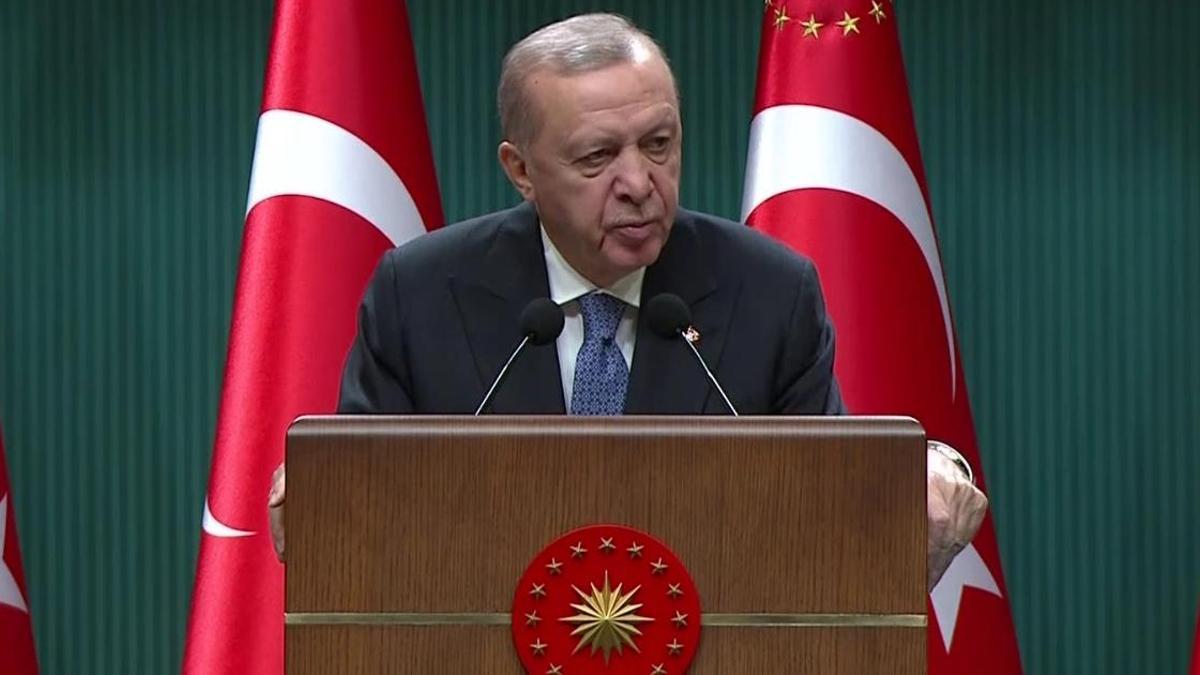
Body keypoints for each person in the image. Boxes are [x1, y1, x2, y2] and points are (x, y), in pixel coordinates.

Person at [267, 13, 987, 590]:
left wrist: (918, 477)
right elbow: (357, 496)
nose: (640, 183)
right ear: (521, 170)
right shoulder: (421, 293)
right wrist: (324, 493)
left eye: (658, 144)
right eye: (597, 156)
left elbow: (829, 498)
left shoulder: (769, 291)